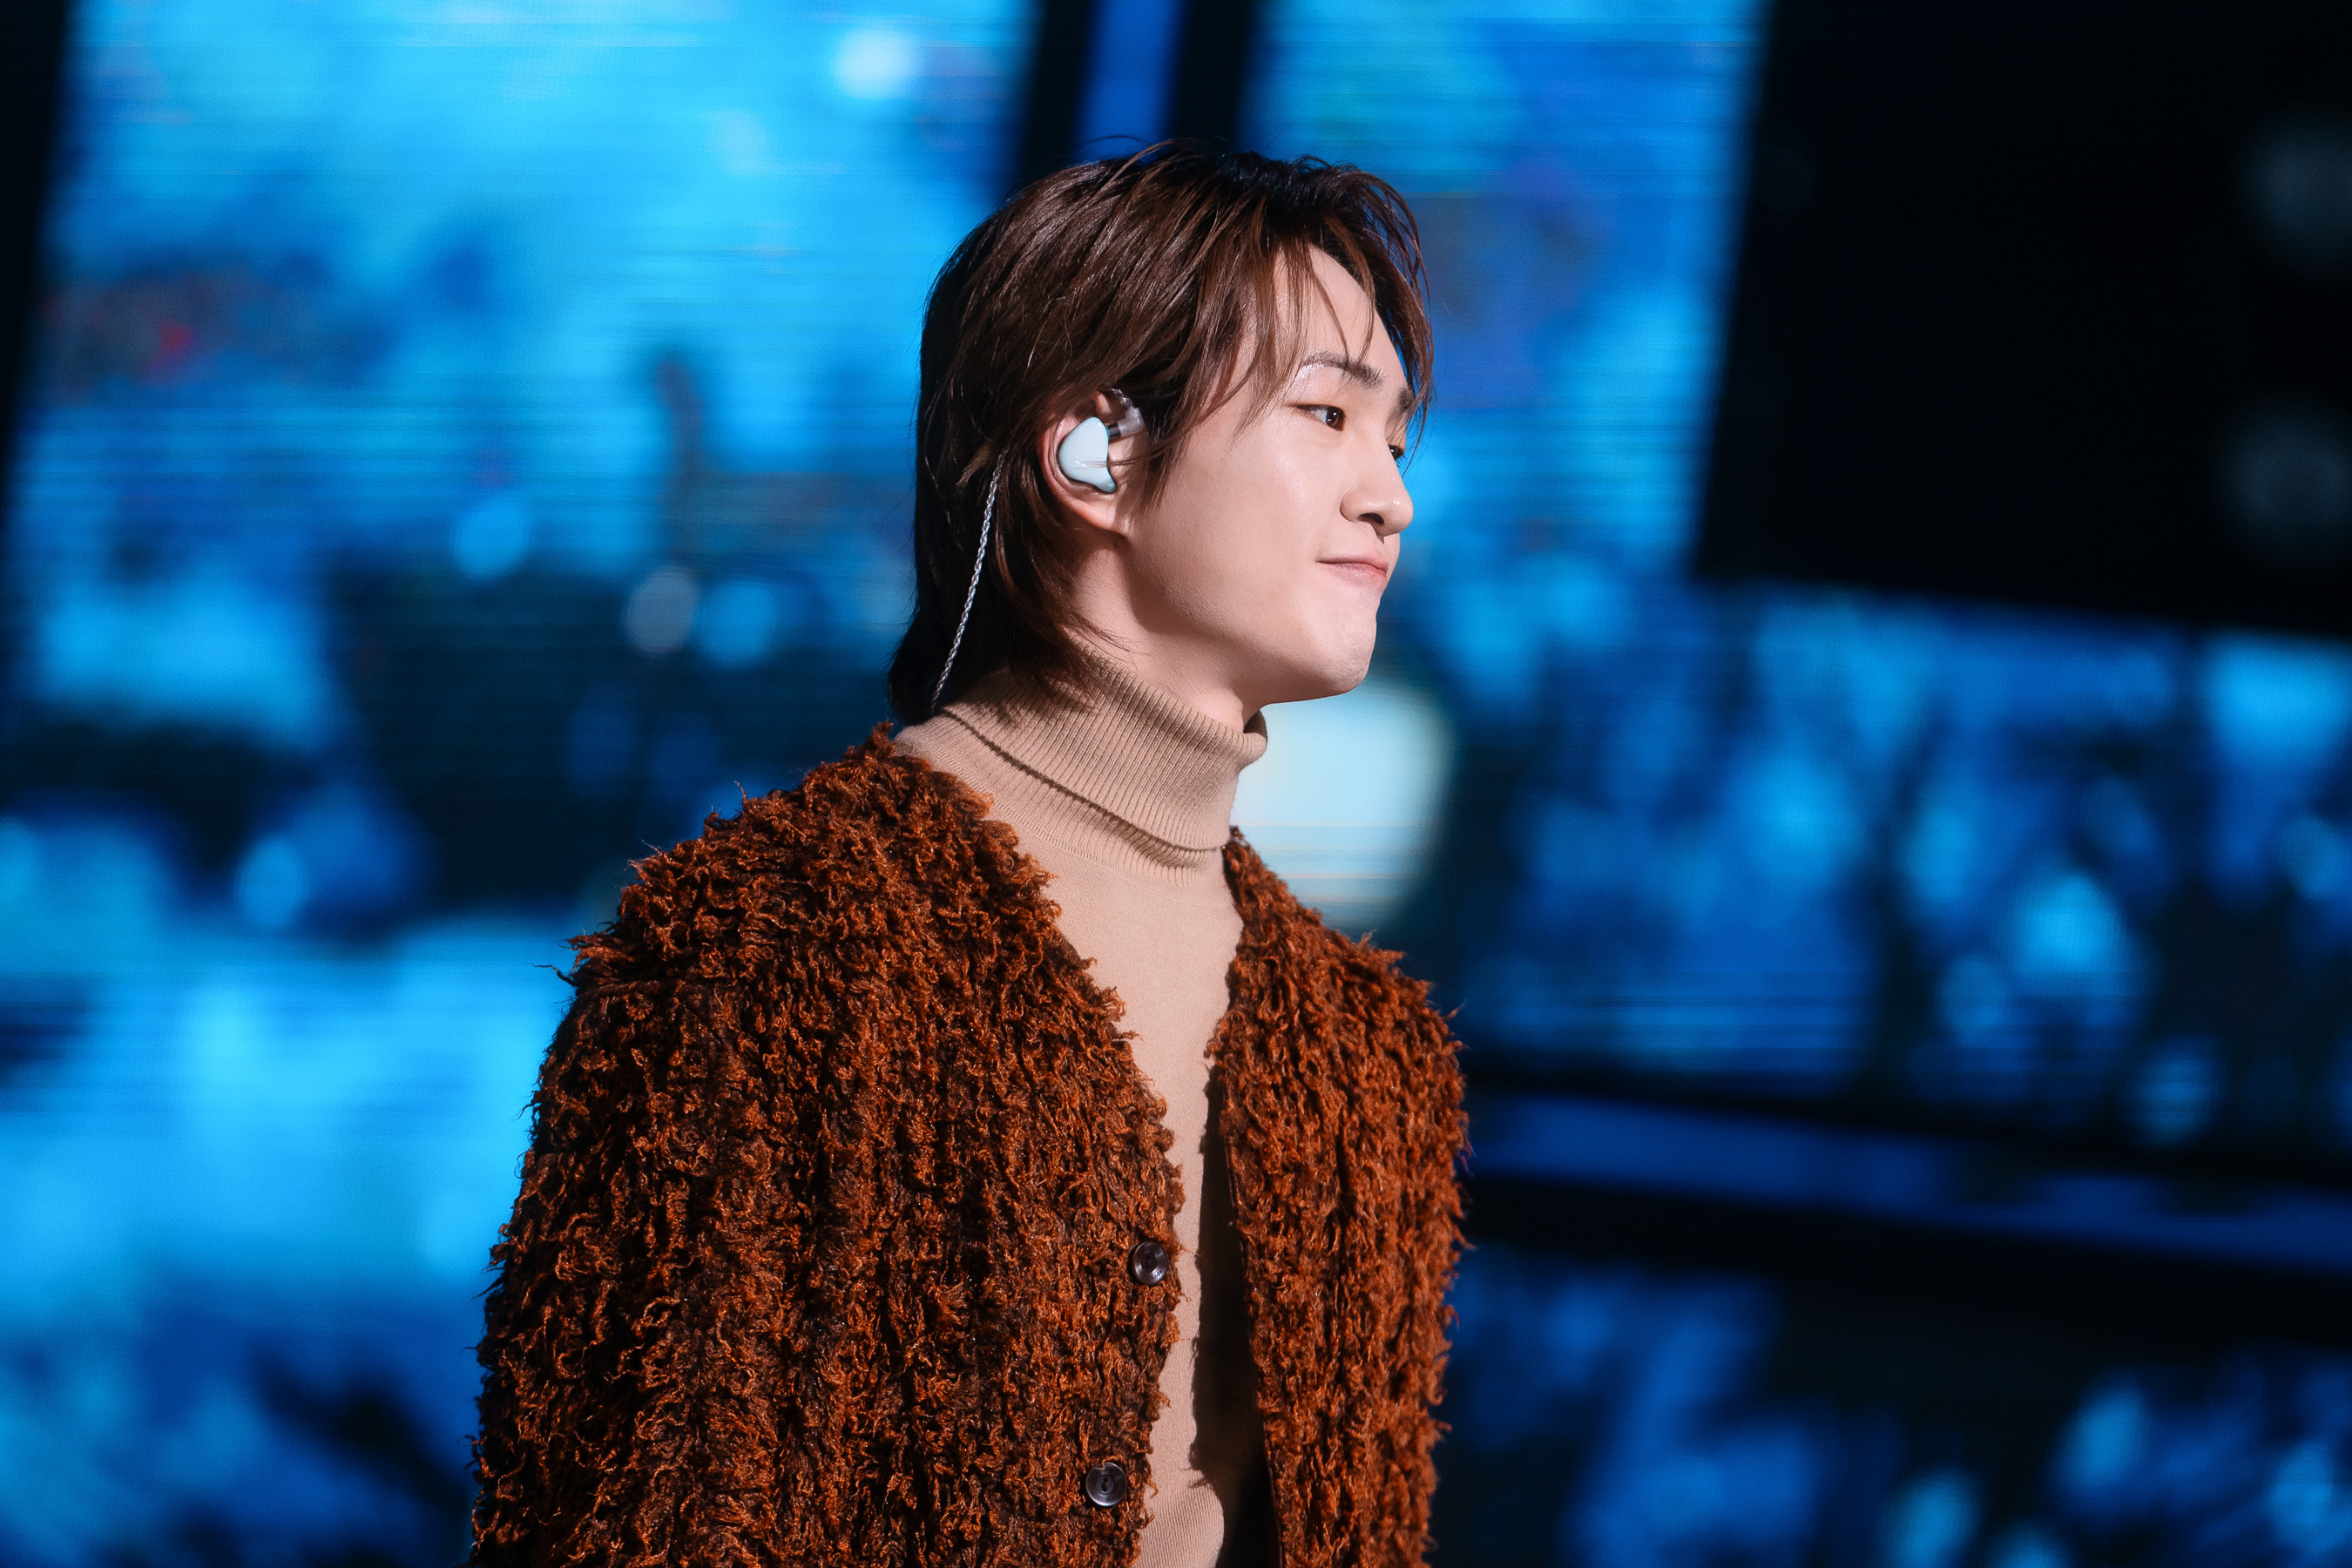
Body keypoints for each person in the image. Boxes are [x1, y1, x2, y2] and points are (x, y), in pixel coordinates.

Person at [470, 142, 1464, 1568]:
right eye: (1327, 413)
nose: (1390, 499)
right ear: (1098, 453)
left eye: (1398, 442)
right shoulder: (766, 947)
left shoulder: (1371, 1058)